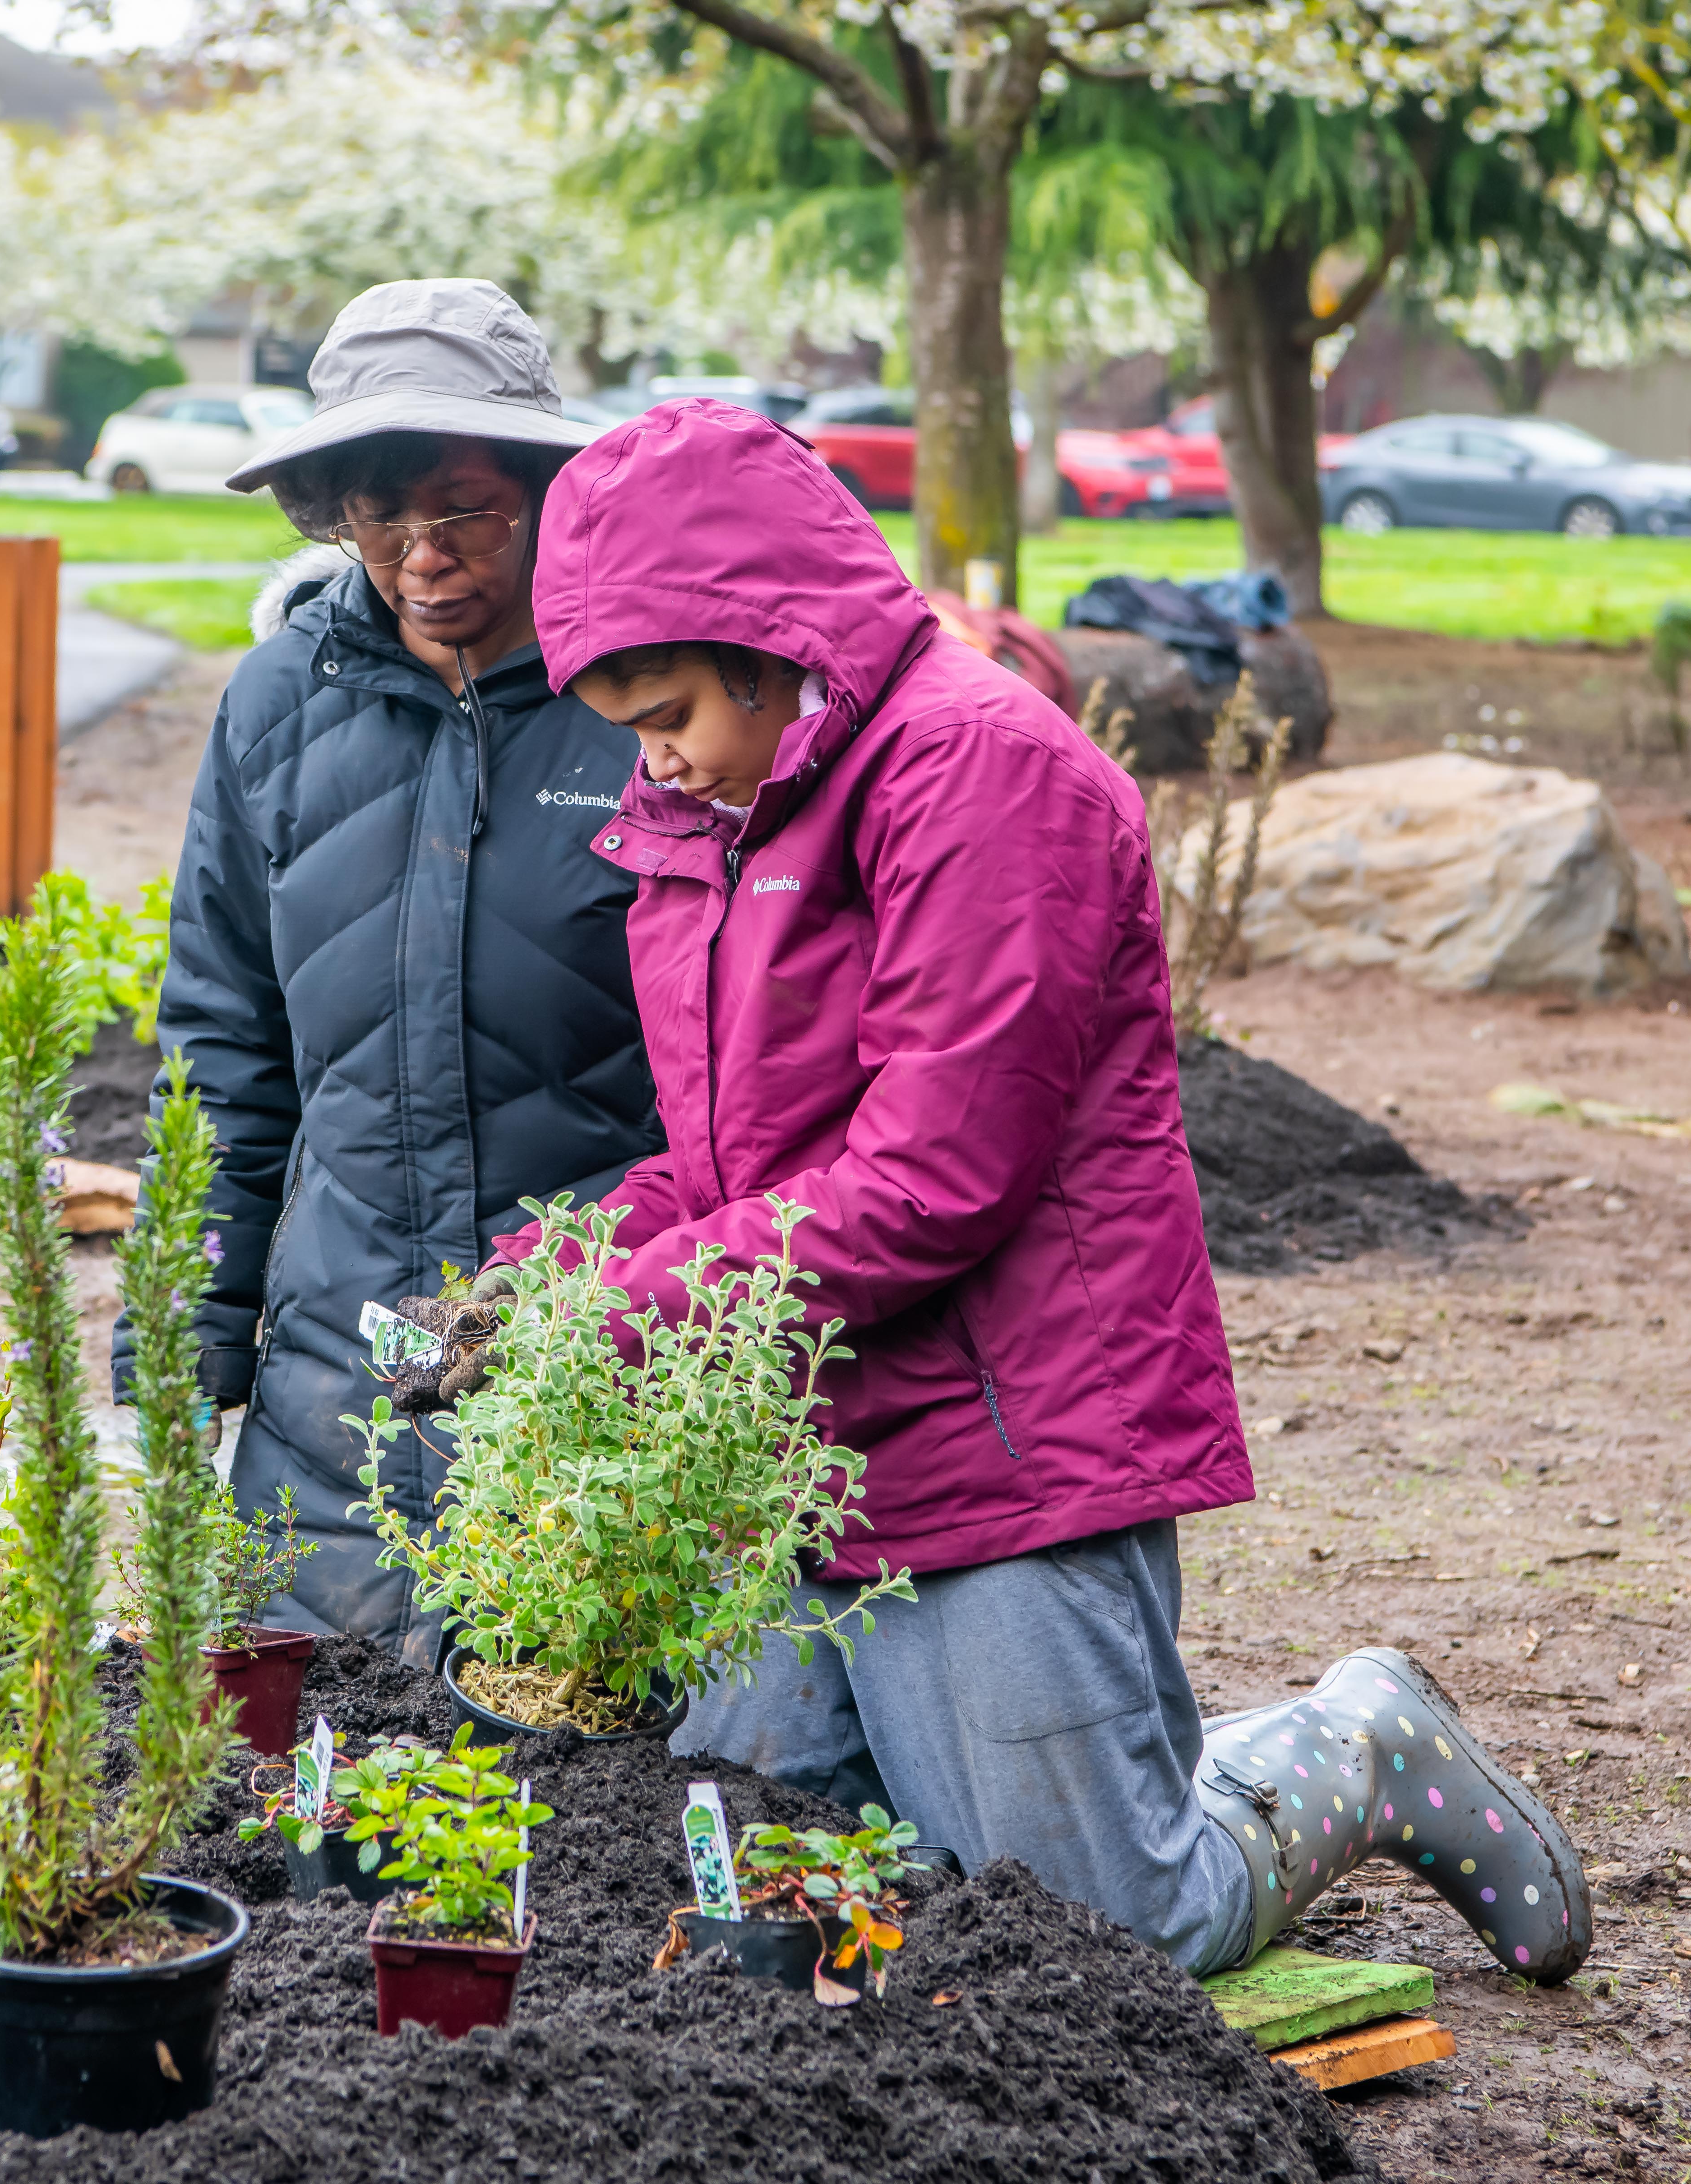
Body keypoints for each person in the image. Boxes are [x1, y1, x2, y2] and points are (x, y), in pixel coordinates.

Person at [473, 396, 1586, 1981]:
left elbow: (932, 1177)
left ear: (766, 638)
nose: (646, 758)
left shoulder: (981, 776)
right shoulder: (711, 820)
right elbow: (736, 1163)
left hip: (1002, 1440)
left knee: (1105, 1928)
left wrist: (625, 1312)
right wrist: (546, 1275)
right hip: (802, 1445)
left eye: (664, 711)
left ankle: (1350, 1747)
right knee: (777, 1869)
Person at [141, 278, 661, 1653]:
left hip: (589, 1342)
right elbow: (223, 1038)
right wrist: (192, 1319)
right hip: (338, 1363)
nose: (421, 556)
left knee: (592, 1781)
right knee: (311, 1782)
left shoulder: (651, 703)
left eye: (463, 510)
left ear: (543, 494)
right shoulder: (275, 704)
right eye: (378, 516)